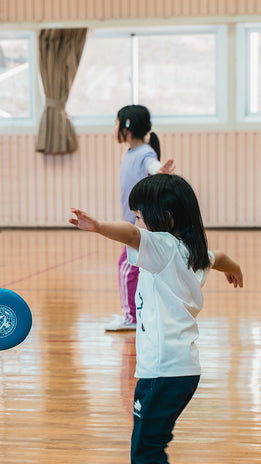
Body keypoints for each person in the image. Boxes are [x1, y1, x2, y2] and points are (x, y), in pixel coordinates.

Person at [69, 173, 243, 464]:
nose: (135, 224)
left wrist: (97, 226)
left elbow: (131, 238)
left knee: (149, 451)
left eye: (139, 216)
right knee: (141, 445)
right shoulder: (192, 250)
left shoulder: (162, 247)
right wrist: (235, 268)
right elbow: (221, 258)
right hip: (166, 369)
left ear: (163, 218)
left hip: (167, 370)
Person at [105, 105, 175, 332]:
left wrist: (159, 170)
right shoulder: (129, 152)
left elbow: (152, 166)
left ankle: (131, 318)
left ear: (127, 127)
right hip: (133, 223)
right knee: (140, 269)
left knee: (127, 267)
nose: (113, 128)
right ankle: (140, 313)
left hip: (141, 226)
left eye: (116, 123)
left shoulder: (145, 153)